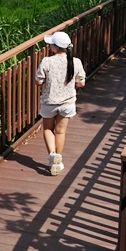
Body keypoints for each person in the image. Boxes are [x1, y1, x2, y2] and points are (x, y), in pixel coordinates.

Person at [35, 30, 86, 176]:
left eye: (51, 44)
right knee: (60, 131)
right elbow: (81, 82)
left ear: (56, 48)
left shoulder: (47, 61)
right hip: (67, 103)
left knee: (47, 130)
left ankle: (52, 155)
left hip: (49, 102)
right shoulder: (76, 62)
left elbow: (38, 81)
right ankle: (59, 159)